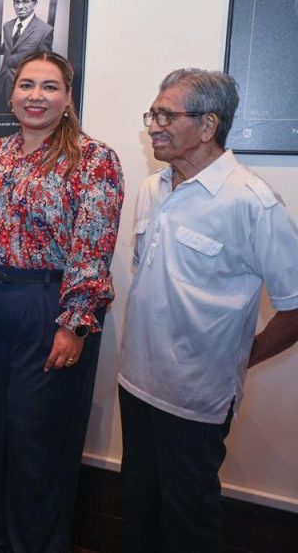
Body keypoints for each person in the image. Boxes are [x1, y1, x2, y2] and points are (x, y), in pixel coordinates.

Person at [118, 69, 298, 553]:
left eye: (166, 116)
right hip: (135, 383)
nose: (154, 127)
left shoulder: (252, 202)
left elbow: (296, 304)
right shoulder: (152, 188)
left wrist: (242, 356)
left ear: (207, 125)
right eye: (152, 115)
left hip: (195, 400)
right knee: (139, 508)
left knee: (188, 521)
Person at [0, 51, 123, 552]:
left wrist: (74, 324)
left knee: (36, 435)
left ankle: (36, 543)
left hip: (50, 306)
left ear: (68, 97)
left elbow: (93, 246)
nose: (36, 96)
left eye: (50, 87)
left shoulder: (94, 158)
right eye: (27, 85)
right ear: (11, 95)